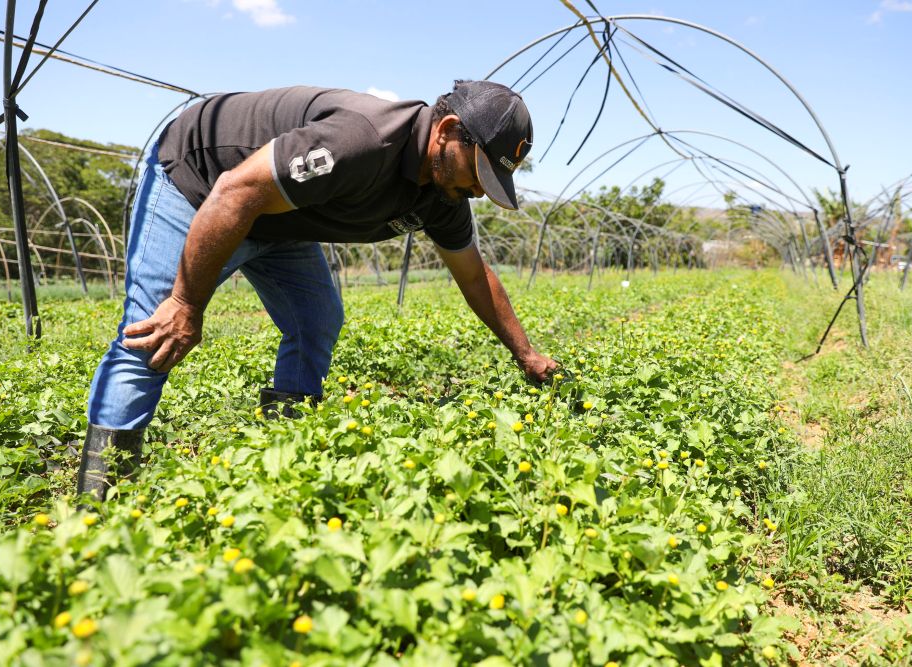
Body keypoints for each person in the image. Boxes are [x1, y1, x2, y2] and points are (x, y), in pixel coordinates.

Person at [77, 80, 558, 500]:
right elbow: (236, 191)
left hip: (273, 216)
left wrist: (526, 354)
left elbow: (474, 276)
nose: (478, 189)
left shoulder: (443, 194)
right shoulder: (362, 140)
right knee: (152, 335)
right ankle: (98, 503)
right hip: (203, 185)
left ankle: (285, 457)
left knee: (316, 320)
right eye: (478, 170)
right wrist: (186, 304)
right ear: (448, 130)